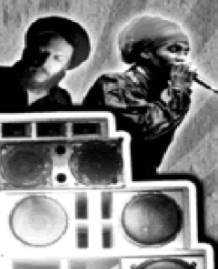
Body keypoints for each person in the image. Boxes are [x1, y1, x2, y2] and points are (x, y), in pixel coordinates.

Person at [82, 15, 195, 180]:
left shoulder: (163, 92)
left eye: (186, 52)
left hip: (140, 180)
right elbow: (145, 129)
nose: (183, 59)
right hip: (101, 179)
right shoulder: (114, 85)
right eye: (174, 49)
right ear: (145, 52)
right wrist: (179, 90)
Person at [0, 16, 90, 112]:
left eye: (58, 58)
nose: (44, 63)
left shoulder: (61, 100)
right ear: (27, 50)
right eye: (42, 51)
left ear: (66, 66)